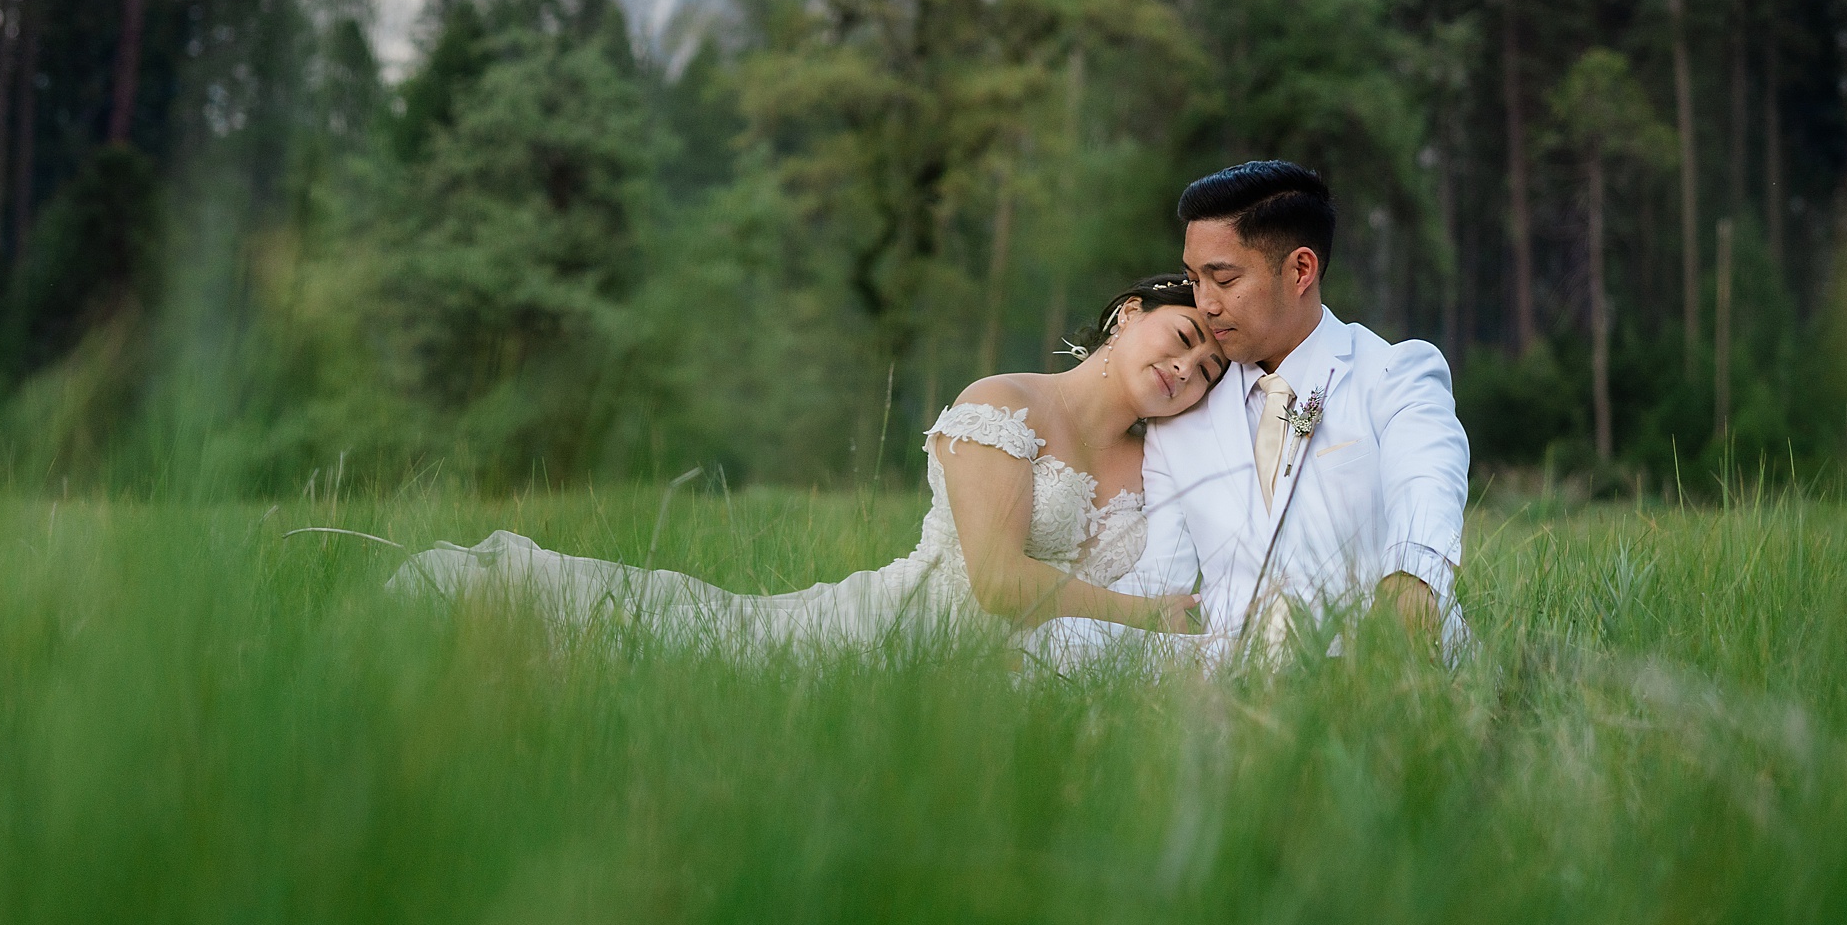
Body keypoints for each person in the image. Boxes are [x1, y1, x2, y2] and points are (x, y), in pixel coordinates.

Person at [388, 279, 1226, 654]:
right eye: (1183, 337)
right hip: (888, 636)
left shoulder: (1161, 460)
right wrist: (1143, 614)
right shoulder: (1004, 403)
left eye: (1207, 373)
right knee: (674, 642)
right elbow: (999, 584)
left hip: (1013, 687)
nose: (1187, 368)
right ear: (1128, 313)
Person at [1086, 160, 1472, 665]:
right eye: (1193, 279)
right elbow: (1162, 580)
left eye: (1223, 279)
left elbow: (1427, 485)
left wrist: (1410, 582)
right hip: (1230, 681)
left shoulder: (1393, 374)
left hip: (1379, 667)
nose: (1205, 303)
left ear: (1300, 270)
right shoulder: (1180, 418)